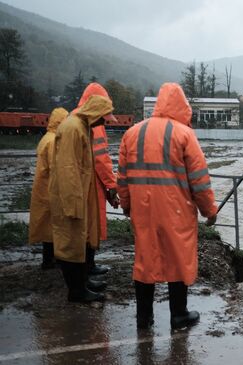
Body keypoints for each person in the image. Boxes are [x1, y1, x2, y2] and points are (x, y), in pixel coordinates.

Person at [117, 83, 218, 329]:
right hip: (176, 210)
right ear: (183, 106)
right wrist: (209, 210)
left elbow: (123, 177)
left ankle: (144, 318)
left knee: (144, 260)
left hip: (143, 209)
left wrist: (127, 206)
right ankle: (179, 315)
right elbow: (199, 180)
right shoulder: (184, 134)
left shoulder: (132, 133)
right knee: (178, 258)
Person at [49, 95, 116, 303]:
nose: (104, 123)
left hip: (77, 197)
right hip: (70, 200)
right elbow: (68, 169)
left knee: (78, 242)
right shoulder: (73, 129)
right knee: (70, 244)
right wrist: (73, 205)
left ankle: (82, 283)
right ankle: (76, 291)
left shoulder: (80, 126)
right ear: (95, 113)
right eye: (104, 118)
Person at [73, 83, 120, 276]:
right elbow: (101, 159)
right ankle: (88, 267)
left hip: (79, 181)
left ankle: (84, 267)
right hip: (92, 183)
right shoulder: (94, 123)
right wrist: (111, 186)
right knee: (92, 224)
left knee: (81, 225)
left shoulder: (75, 117)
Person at [28, 107, 68, 269]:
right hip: (50, 190)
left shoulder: (47, 137)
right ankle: (50, 260)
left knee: (47, 227)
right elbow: (56, 167)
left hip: (43, 188)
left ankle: (49, 259)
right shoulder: (53, 141)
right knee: (53, 226)